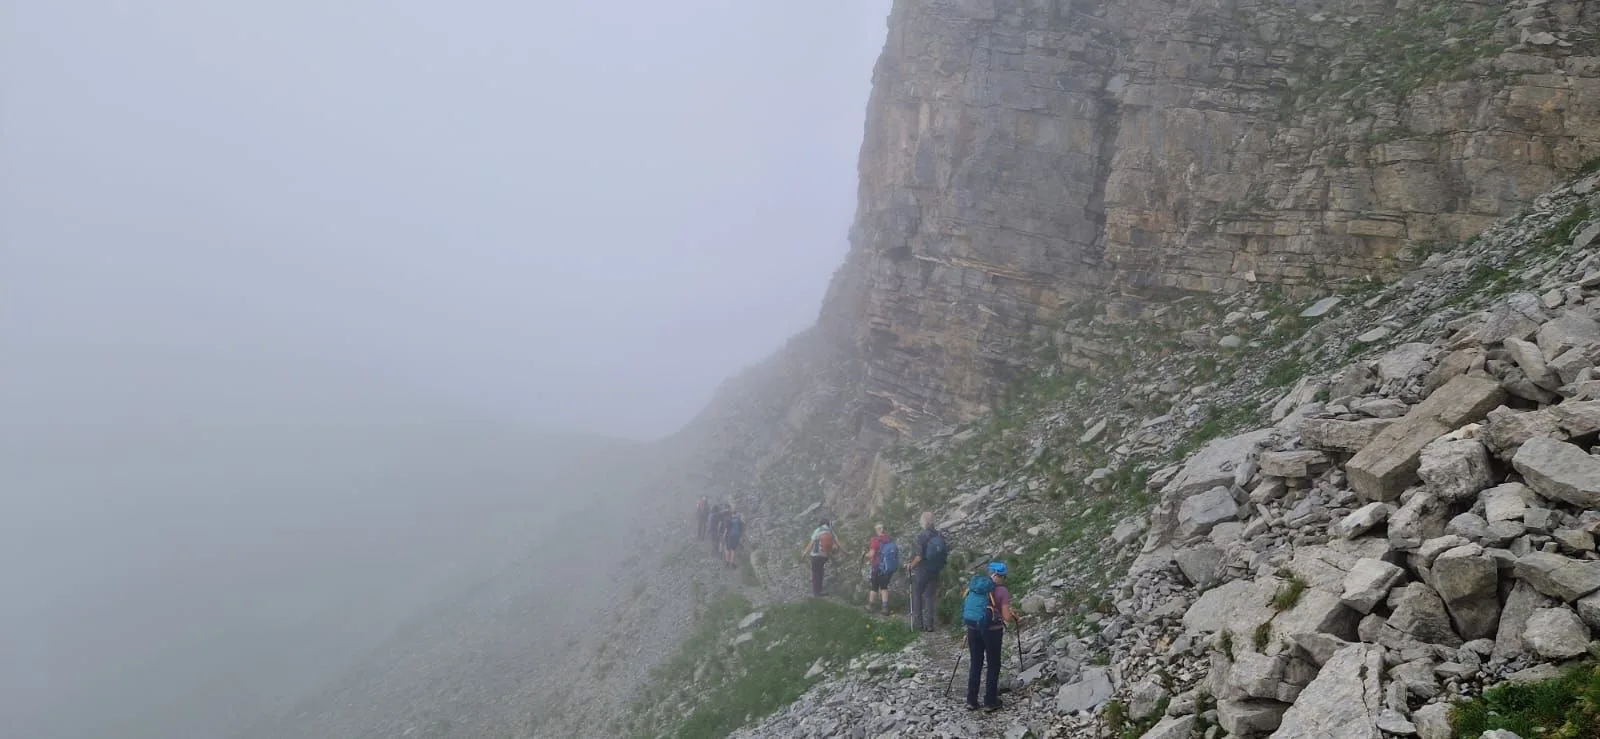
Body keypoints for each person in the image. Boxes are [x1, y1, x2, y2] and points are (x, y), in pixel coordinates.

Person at [964, 561, 1016, 712]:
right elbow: (1006, 617)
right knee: (993, 665)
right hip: (992, 631)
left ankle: (971, 700)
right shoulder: (1002, 591)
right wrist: (1013, 616)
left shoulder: (976, 586)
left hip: (973, 629)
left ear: (990, 573)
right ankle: (990, 701)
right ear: (1001, 576)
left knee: (976, 663)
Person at [907, 512, 948, 632]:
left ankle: (918, 623)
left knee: (917, 593)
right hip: (935, 569)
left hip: (923, 569)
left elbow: (919, 556)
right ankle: (929, 624)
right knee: (929, 596)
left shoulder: (922, 536)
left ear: (923, 522)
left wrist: (911, 566)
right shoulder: (938, 534)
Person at [801, 518, 845, 597]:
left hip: (815, 555)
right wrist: (847, 553)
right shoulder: (831, 531)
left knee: (815, 573)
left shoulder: (818, 530)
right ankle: (820, 590)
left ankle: (816, 592)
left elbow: (811, 543)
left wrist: (804, 553)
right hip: (824, 556)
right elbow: (838, 544)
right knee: (821, 571)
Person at [861, 523, 897, 614]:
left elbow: (871, 554)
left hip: (877, 567)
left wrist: (864, 555)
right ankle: (885, 608)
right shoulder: (889, 539)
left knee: (874, 587)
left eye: (876, 529)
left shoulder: (875, 540)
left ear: (878, 530)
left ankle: (870, 606)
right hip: (887, 567)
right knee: (884, 586)